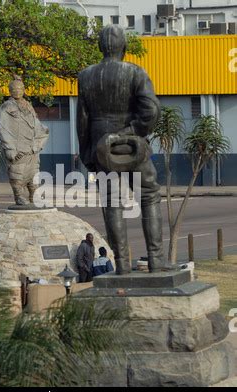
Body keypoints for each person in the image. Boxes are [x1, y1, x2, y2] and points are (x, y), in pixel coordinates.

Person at [77, 25, 174, 274]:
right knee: (149, 195)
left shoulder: (86, 76)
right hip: (132, 146)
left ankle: (121, 265)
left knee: (112, 203)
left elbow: (83, 120)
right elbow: (151, 110)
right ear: (125, 48)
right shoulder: (135, 72)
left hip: (102, 147)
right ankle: (156, 259)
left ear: (100, 47)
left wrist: (87, 153)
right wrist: (133, 130)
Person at [0, 75, 49, 205]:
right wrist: (10, 148)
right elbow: (3, 128)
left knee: (33, 172)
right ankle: (18, 196)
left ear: (24, 90)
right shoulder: (6, 107)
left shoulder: (28, 105)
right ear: (10, 91)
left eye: (20, 89)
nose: (17, 91)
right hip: (18, 147)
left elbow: (35, 123)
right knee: (17, 172)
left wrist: (41, 134)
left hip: (31, 146)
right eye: (14, 89)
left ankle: (34, 195)